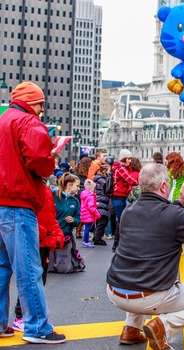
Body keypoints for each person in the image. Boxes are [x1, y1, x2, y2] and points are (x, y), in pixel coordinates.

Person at [106, 163, 184, 350]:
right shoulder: (173, 215)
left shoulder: (129, 211)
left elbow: (160, 218)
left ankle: (131, 329)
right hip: (149, 294)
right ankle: (162, 327)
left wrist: (179, 202)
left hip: (115, 290)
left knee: (138, 271)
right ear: (163, 187)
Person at [0, 82, 66, 344]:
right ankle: (37, 326)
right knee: (28, 268)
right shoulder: (29, 123)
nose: (41, 109)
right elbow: (41, 163)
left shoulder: (4, 120)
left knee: (2, 267)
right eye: (40, 103)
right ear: (32, 102)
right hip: (19, 201)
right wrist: (50, 160)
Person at [12, 184, 65, 333]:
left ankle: (25, 316)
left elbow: (51, 216)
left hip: (43, 240)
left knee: (39, 279)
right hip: (36, 238)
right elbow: (27, 218)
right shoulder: (30, 187)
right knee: (30, 278)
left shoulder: (45, 189)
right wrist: (46, 233)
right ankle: (21, 316)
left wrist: (56, 235)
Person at [111, 149, 138, 252]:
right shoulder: (121, 169)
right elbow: (131, 180)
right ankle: (117, 244)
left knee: (121, 219)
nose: (130, 161)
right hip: (119, 195)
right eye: (129, 159)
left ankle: (118, 244)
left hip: (119, 196)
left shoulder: (117, 168)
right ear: (124, 158)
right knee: (121, 220)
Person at [93, 164, 112, 246]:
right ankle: (97, 238)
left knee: (101, 220)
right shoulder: (102, 180)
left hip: (102, 201)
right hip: (101, 201)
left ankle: (96, 235)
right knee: (102, 221)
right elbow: (107, 188)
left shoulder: (100, 179)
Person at [80, 179, 101, 248]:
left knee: (86, 228)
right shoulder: (91, 196)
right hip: (89, 215)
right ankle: (85, 242)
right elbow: (91, 208)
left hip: (85, 214)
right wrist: (97, 214)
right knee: (87, 228)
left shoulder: (84, 195)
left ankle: (85, 241)